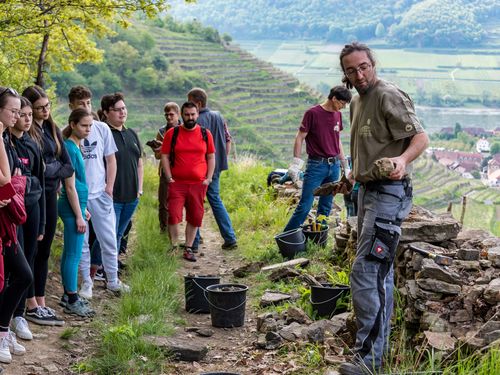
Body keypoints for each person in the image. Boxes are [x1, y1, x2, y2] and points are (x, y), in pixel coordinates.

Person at [337, 42, 429, 375]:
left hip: (389, 192)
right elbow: (366, 146)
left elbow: (421, 138)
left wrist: (402, 160)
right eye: (351, 70)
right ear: (345, 74)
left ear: (373, 64)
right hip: (367, 191)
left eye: (363, 66)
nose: (359, 74)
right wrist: (351, 175)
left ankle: (370, 360)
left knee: (367, 270)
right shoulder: (357, 102)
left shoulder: (389, 95)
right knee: (379, 273)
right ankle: (375, 352)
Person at [67, 85, 129, 300]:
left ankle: (113, 280)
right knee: (82, 242)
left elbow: (111, 159)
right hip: (80, 195)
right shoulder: (68, 134)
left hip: (100, 193)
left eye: (88, 103)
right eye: (81, 104)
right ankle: (87, 282)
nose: (86, 107)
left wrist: (109, 188)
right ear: (72, 108)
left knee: (109, 238)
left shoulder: (101, 128)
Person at [22, 85, 73, 326]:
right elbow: (37, 169)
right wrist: (51, 170)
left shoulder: (52, 128)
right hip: (35, 196)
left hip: (51, 195)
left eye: (47, 106)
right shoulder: (27, 133)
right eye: (39, 107)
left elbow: (67, 165)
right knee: (32, 249)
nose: (45, 111)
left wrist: (50, 170)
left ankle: (41, 300)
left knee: (45, 250)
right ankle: (30, 302)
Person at [283, 86, 352, 232]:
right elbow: (300, 137)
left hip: (334, 166)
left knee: (326, 205)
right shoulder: (313, 113)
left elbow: (337, 140)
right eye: (342, 103)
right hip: (316, 165)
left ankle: (318, 239)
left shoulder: (337, 115)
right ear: (333, 98)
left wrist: (344, 164)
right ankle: (286, 238)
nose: (343, 107)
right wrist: (296, 163)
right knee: (305, 205)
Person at [90, 92, 143, 275]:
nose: (122, 112)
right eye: (117, 110)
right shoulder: (102, 133)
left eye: (124, 108)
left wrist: (140, 189)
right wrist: (106, 190)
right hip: (111, 195)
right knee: (106, 235)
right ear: (106, 112)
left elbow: (139, 162)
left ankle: (108, 268)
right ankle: (96, 267)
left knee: (118, 234)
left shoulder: (131, 134)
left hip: (131, 195)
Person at [9, 97, 45, 340]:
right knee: (17, 264)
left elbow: (40, 181)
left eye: (30, 114)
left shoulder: (32, 144)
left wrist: (41, 222)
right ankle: (8, 316)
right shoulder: (7, 143)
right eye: (22, 114)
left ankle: (20, 314)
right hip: (13, 210)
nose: (27, 118)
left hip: (33, 207)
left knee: (30, 256)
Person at [160, 102, 215, 262]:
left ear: (197, 114)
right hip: (177, 183)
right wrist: (169, 176)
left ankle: (189, 248)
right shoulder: (173, 133)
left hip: (198, 184)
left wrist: (209, 178)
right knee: (174, 216)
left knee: (195, 216)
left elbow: (211, 156)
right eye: (187, 115)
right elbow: (164, 155)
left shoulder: (206, 134)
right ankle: (174, 246)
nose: (190, 118)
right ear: (182, 115)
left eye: (193, 114)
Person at [0, 87, 31, 365]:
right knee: (18, 275)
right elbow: (7, 180)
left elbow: (11, 182)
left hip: (7, 218)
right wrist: (13, 184)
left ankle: (3, 330)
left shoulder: (7, 139)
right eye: (12, 110)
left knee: (22, 274)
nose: (17, 115)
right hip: (2, 218)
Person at [187, 88, 236, 250]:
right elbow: (227, 139)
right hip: (216, 167)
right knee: (215, 200)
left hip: (200, 168)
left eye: (190, 102)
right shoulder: (218, 116)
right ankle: (230, 237)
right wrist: (222, 159)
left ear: (198, 104)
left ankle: (194, 242)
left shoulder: (198, 120)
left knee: (195, 202)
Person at [58, 109, 95, 317]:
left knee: (69, 253)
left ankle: (67, 293)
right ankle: (72, 298)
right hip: (72, 207)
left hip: (77, 206)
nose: (88, 129)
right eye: (84, 125)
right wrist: (79, 215)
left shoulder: (76, 146)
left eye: (90, 125)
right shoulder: (70, 148)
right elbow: (70, 186)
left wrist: (84, 210)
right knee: (73, 254)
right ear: (73, 124)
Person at [153, 102, 180, 232]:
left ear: (178, 114)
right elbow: (158, 156)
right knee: (163, 202)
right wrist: (158, 148)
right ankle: (163, 229)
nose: (169, 117)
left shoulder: (186, 128)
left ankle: (192, 233)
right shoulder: (161, 131)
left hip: (182, 169)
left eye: (171, 114)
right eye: (166, 115)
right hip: (165, 169)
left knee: (185, 202)